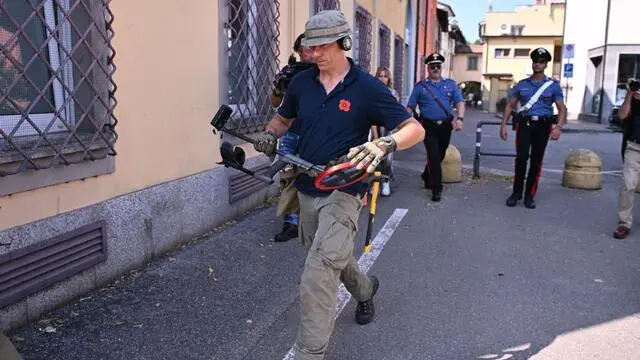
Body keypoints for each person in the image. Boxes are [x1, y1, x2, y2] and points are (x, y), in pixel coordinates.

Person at [252, 10, 424, 360]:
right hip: (306, 186)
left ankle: (309, 353)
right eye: (309, 47)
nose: (312, 54)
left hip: (346, 188)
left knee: (317, 274)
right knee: (329, 256)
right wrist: (270, 134)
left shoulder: (367, 87)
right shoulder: (302, 82)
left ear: (345, 43)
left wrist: (383, 144)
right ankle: (365, 289)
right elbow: (283, 117)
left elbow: (414, 129)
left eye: (321, 47)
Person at [499, 47, 566, 209]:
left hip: (543, 126)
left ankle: (530, 195)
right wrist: (503, 125)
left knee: (536, 161)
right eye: (535, 61)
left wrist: (558, 127)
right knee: (521, 159)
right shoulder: (522, 85)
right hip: (525, 125)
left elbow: (562, 109)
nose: (537, 64)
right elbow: (510, 105)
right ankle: (516, 193)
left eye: (541, 62)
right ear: (532, 63)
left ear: (546, 64)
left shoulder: (553, 86)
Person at [269, 33, 314, 242]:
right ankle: (291, 223)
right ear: (298, 51)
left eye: (310, 47)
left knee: (312, 177)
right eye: (303, 48)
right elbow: (275, 103)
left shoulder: (323, 72)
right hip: (290, 134)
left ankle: (312, 221)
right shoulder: (291, 71)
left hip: (313, 134)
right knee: (287, 176)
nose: (307, 52)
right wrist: (278, 87)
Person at [407, 53, 464, 202]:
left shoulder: (451, 84)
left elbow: (460, 103)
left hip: (445, 126)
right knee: (433, 155)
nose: (435, 68)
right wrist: (405, 123)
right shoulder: (420, 87)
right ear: (428, 68)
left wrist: (460, 119)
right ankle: (436, 188)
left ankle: (427, 174)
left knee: (440, 154)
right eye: (432, 66)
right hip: (428, 126)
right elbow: (410, 107)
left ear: (441, 67)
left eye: (438, 66)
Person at [613, 79, 640, 239]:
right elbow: (622, 115)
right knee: (628, 184)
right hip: (634, 146)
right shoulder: (634, 97)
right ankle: (624, 223)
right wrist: (629, 95)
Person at [371, 66, 400, 196]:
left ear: (388, 79)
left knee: (387, 157)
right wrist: (375, 135)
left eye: (385, 76)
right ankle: (375, 182)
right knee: (375, 156)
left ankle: (386, 181)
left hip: (389, 128)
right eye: (380, 76)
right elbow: (370, 115)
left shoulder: (393, 94)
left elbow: (396, 113)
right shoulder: (371, 92)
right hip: (375, 127)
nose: (382, 79)